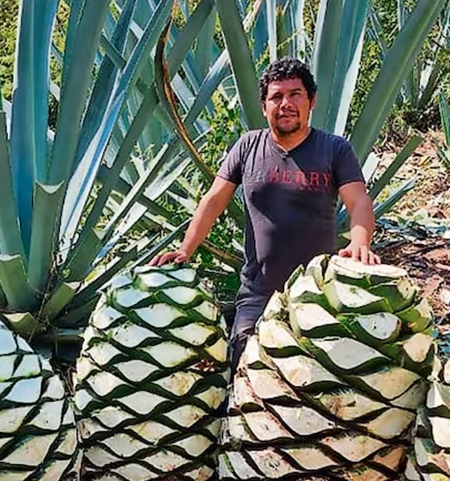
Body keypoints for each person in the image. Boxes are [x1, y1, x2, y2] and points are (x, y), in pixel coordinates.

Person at [153, 56, 380, 372]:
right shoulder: (248, 147)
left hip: (316, 293)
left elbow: (358, 201)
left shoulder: (334, 149)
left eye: (295, 94)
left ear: (311, 101)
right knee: (244, 373)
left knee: (314, 384)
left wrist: (360, 241)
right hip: (258, 293)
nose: (285, 103)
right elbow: (214, 200)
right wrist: (186, 248)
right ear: (264, 106)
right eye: (276, 96)